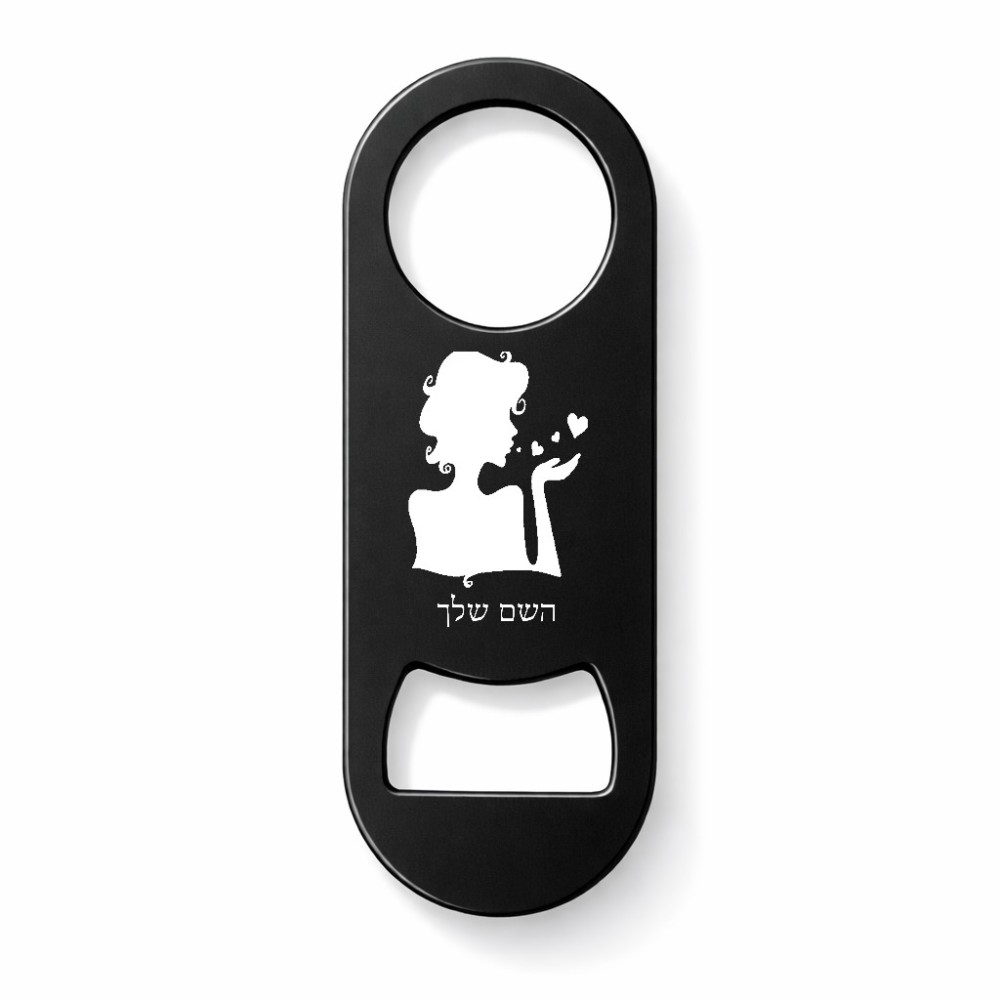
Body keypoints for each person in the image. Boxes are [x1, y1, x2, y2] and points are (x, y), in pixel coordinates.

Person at [409, 350, 579, 585]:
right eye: (505, 415)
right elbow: (539, 581)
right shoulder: (423, 506)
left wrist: (538, 485)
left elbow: (541, 584)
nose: (514, 429)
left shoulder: (509, 499)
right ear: (475, 421)